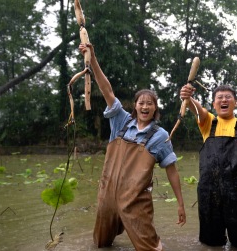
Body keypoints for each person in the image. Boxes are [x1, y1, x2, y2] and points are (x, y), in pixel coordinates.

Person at [79, 43, 186, 250]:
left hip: (135, 201)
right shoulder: (121, 121)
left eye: (150, 103)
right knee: (100, 244)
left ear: (155, 108)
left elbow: (172, 171)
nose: (145, 106)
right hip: (107, 196)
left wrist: (180, 204)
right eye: (141, 103)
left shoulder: (160, 135)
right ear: (135, 106)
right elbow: (106, 89)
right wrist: (92, 59)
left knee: (150, 248)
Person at [179, 73, 237, 250]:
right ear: (214, 104)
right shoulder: (208, 122)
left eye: (228, 97)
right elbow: (196, 108)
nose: (224, 100)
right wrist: (188, 97)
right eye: (219, 98)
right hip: (209, 193)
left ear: (235, 102)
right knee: (210, 243)